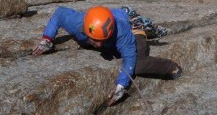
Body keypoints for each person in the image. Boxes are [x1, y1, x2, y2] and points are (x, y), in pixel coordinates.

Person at [32, 6, 181, 105]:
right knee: (105, 48)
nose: (98, 45)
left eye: (101, 41)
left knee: (138, 65)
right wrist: (47, 39)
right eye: (95, 41)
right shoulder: (77, 23)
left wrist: (121, 84)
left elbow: (129, 58)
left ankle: (171, 67)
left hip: (131, 27)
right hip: (110, 18)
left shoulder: (122, 33)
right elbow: (59, 14)